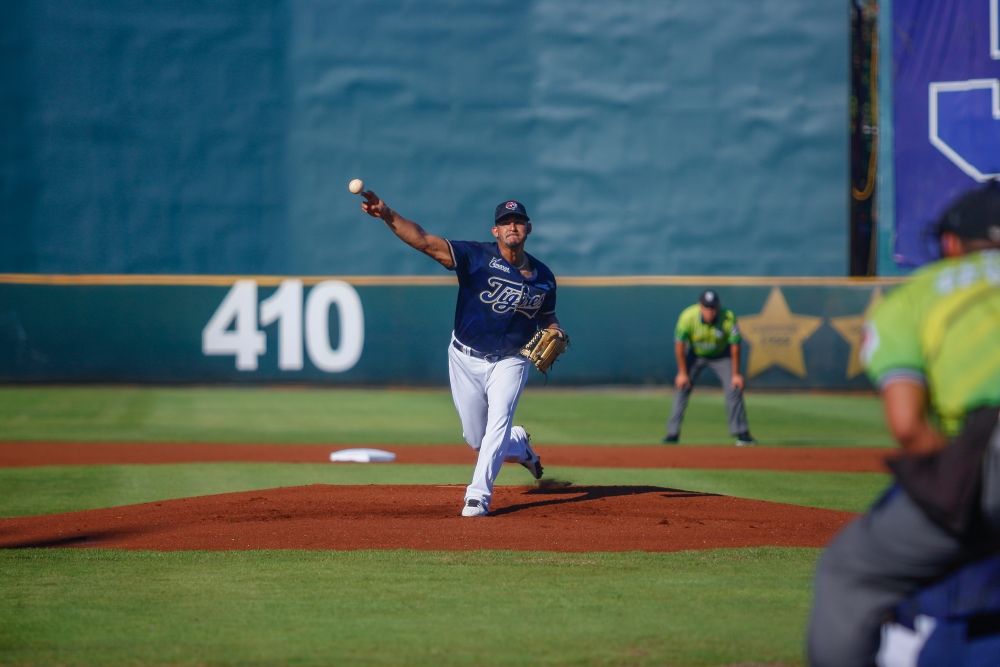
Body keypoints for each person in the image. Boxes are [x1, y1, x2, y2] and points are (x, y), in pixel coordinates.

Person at [806, 181, 1000, 666]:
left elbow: (908, 425)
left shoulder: (917, 296)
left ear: (952, 242)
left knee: (850, 575)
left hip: (987, 450)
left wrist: (964, 485)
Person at [359, 192, 563, 517]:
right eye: (505, 222)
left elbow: (548, 319)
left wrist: (557, 331)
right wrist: (386, 213)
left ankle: (477, 497)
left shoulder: (544, 278)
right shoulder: (476, 256)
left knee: (498, 423)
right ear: (495, 231)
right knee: (478, 440)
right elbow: (425, 241)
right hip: (465, 357)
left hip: (511, 360)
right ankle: (520, 446)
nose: (512, 226)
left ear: (528, 229)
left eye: (518, 222)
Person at [664, 290, 755, 446]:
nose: (709, 311)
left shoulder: (728, 317)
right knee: (682, 386)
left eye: (712, 307)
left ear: (718, 306)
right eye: (706, 307)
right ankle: (672, 433)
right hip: (695, 355)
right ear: (700, 306)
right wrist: (682, 372)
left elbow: (735, 346)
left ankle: (742, 433)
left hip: (722, 355)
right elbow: (679, 346)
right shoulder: (688, 316)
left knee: (734, 387)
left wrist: (735, 374)